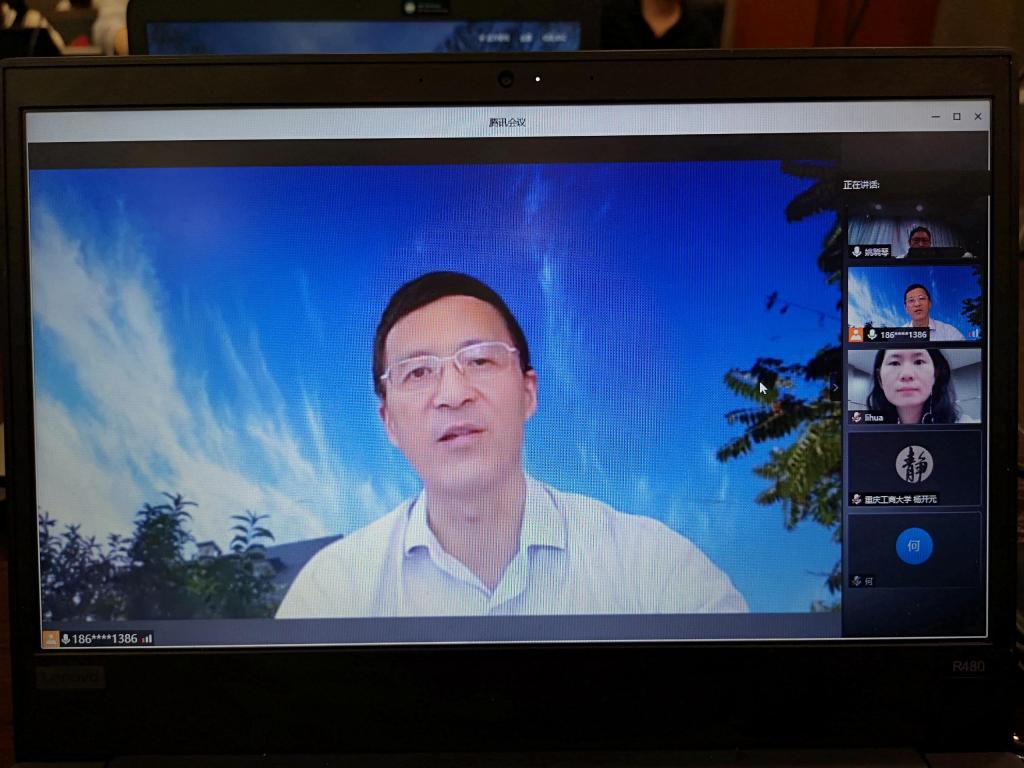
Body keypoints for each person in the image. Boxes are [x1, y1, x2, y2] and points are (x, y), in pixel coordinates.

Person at [277, 272, 747, 618]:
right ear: (389, 424)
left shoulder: (656, 568)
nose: (453, 394)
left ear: (528, 393)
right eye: (418, 372)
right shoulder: (331, 592)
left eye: (480, 360)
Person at [866, 348, 960, 424]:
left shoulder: (963, 428)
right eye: (894, 363)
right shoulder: (863, 432)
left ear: (935, 374)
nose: (907, 374)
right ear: (879, 378)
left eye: (919, 362)